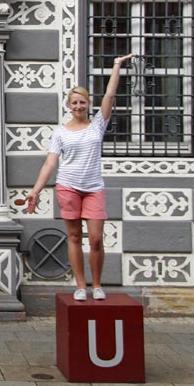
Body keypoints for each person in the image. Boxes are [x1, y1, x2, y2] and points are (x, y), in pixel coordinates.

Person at [25, 54, 134, 302]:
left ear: (88, 103)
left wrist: (116, 66)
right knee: (74, 237)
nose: (78, 106)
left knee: (95, 238)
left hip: (94, 187)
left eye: (82, 102)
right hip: (68, 187)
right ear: (68, 105)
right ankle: (81, 285)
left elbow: (109, 96)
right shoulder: (60, 133)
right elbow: (50, 163)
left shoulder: (97, 125)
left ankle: (97, 284)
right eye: (74, 103)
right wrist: (36, 190)